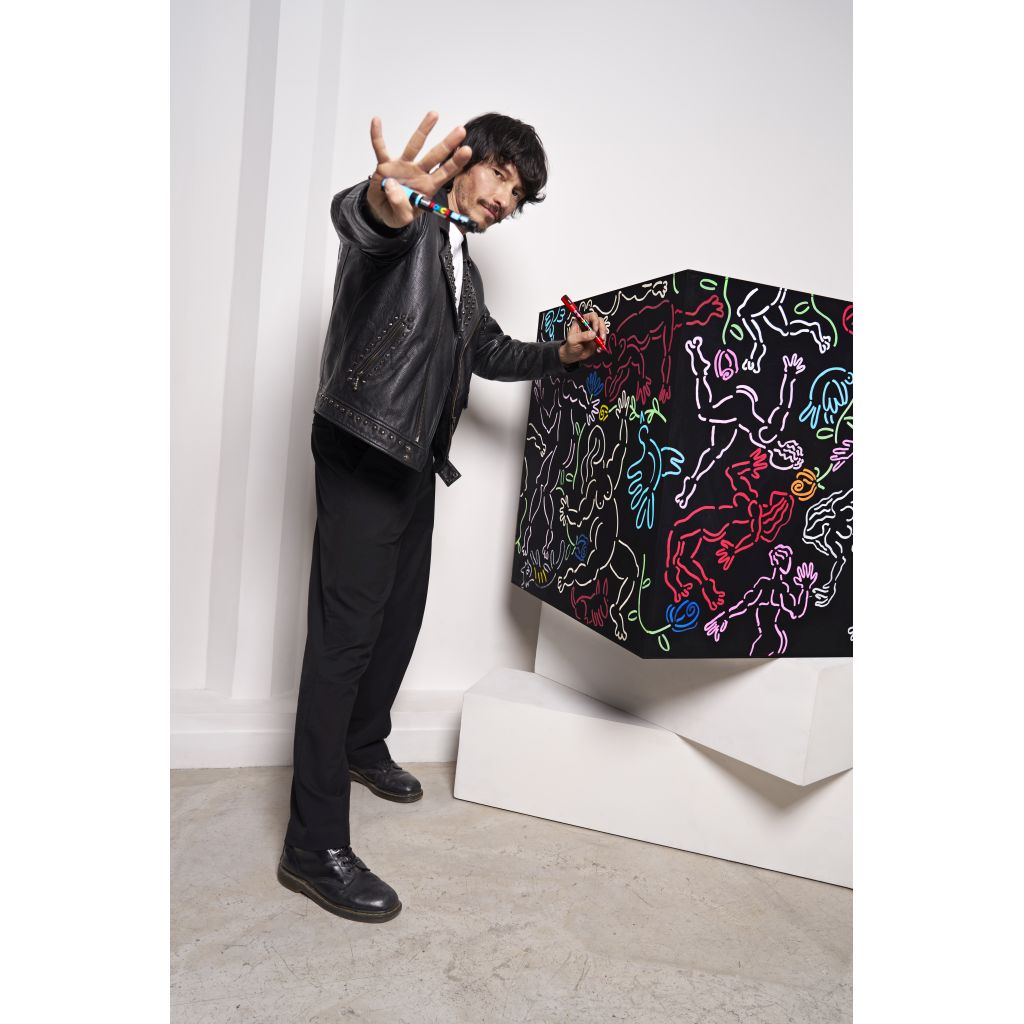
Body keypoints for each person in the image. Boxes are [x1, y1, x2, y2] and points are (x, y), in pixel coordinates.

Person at [277, 111, 605, 923]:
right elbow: (365, 219)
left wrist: (561, 355)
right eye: (500, 175)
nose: (504, 198)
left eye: (518, 194)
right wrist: (385, 195)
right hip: (363, 446)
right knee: (343, 642)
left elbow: (487, 349)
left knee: (397, 619)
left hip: (412, 458)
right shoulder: (409, 226)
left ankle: (362, 744)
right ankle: (312, 846)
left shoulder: (464, 263)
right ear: (466, 161)